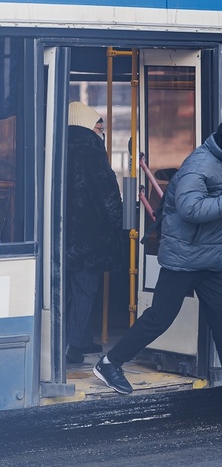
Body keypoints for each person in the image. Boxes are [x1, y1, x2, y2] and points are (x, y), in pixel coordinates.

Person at [93, 113, 222, 423]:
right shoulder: (198, 166)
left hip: (210, 260)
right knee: (160, 318)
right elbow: (191, 210)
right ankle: (110, 363)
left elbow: (210, 205)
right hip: (184, 259)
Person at [64, 102, 125, 364]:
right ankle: (75, 346)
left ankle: (72, 339)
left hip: (66, 235)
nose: (102, 130)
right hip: (90, 237)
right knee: (86, 289)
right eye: (99, 125)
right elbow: (106, 194)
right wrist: (118, 222)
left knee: (71, 289)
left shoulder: (60, 147)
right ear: (89, 127)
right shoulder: (91, 149)